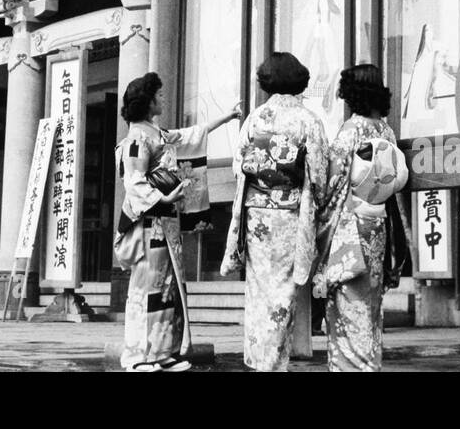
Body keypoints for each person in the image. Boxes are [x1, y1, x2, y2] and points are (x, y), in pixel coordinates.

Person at [113, 72, 240, 372]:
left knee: (167, 290)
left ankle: (161, 351)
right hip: (148, 223)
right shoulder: (136, 139)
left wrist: (227, 117)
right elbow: (134, 182)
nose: (164, 98)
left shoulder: (157, 134)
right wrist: (165, 199)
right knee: (146, 289)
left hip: (165, 224)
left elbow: (192, 135)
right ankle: (136, 357)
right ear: (147, 102)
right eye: (159, 94)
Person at [222, 52, 334, 371]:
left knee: (259, 290)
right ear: (298, 79)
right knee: (283, 289)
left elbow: (238, 165)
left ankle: (260, 358)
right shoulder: (308, 120)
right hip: (288, 213)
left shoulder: (255, 118)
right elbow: (319, 174)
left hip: (256, 212)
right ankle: (272, 362)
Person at [318, 64, 407, 371]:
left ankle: (350, 366)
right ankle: (370, 363)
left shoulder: (350, 131)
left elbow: (333, 183)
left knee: (347, 300)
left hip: (350, 225)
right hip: (379, 223)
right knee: (371, 300)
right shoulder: (386, 131)